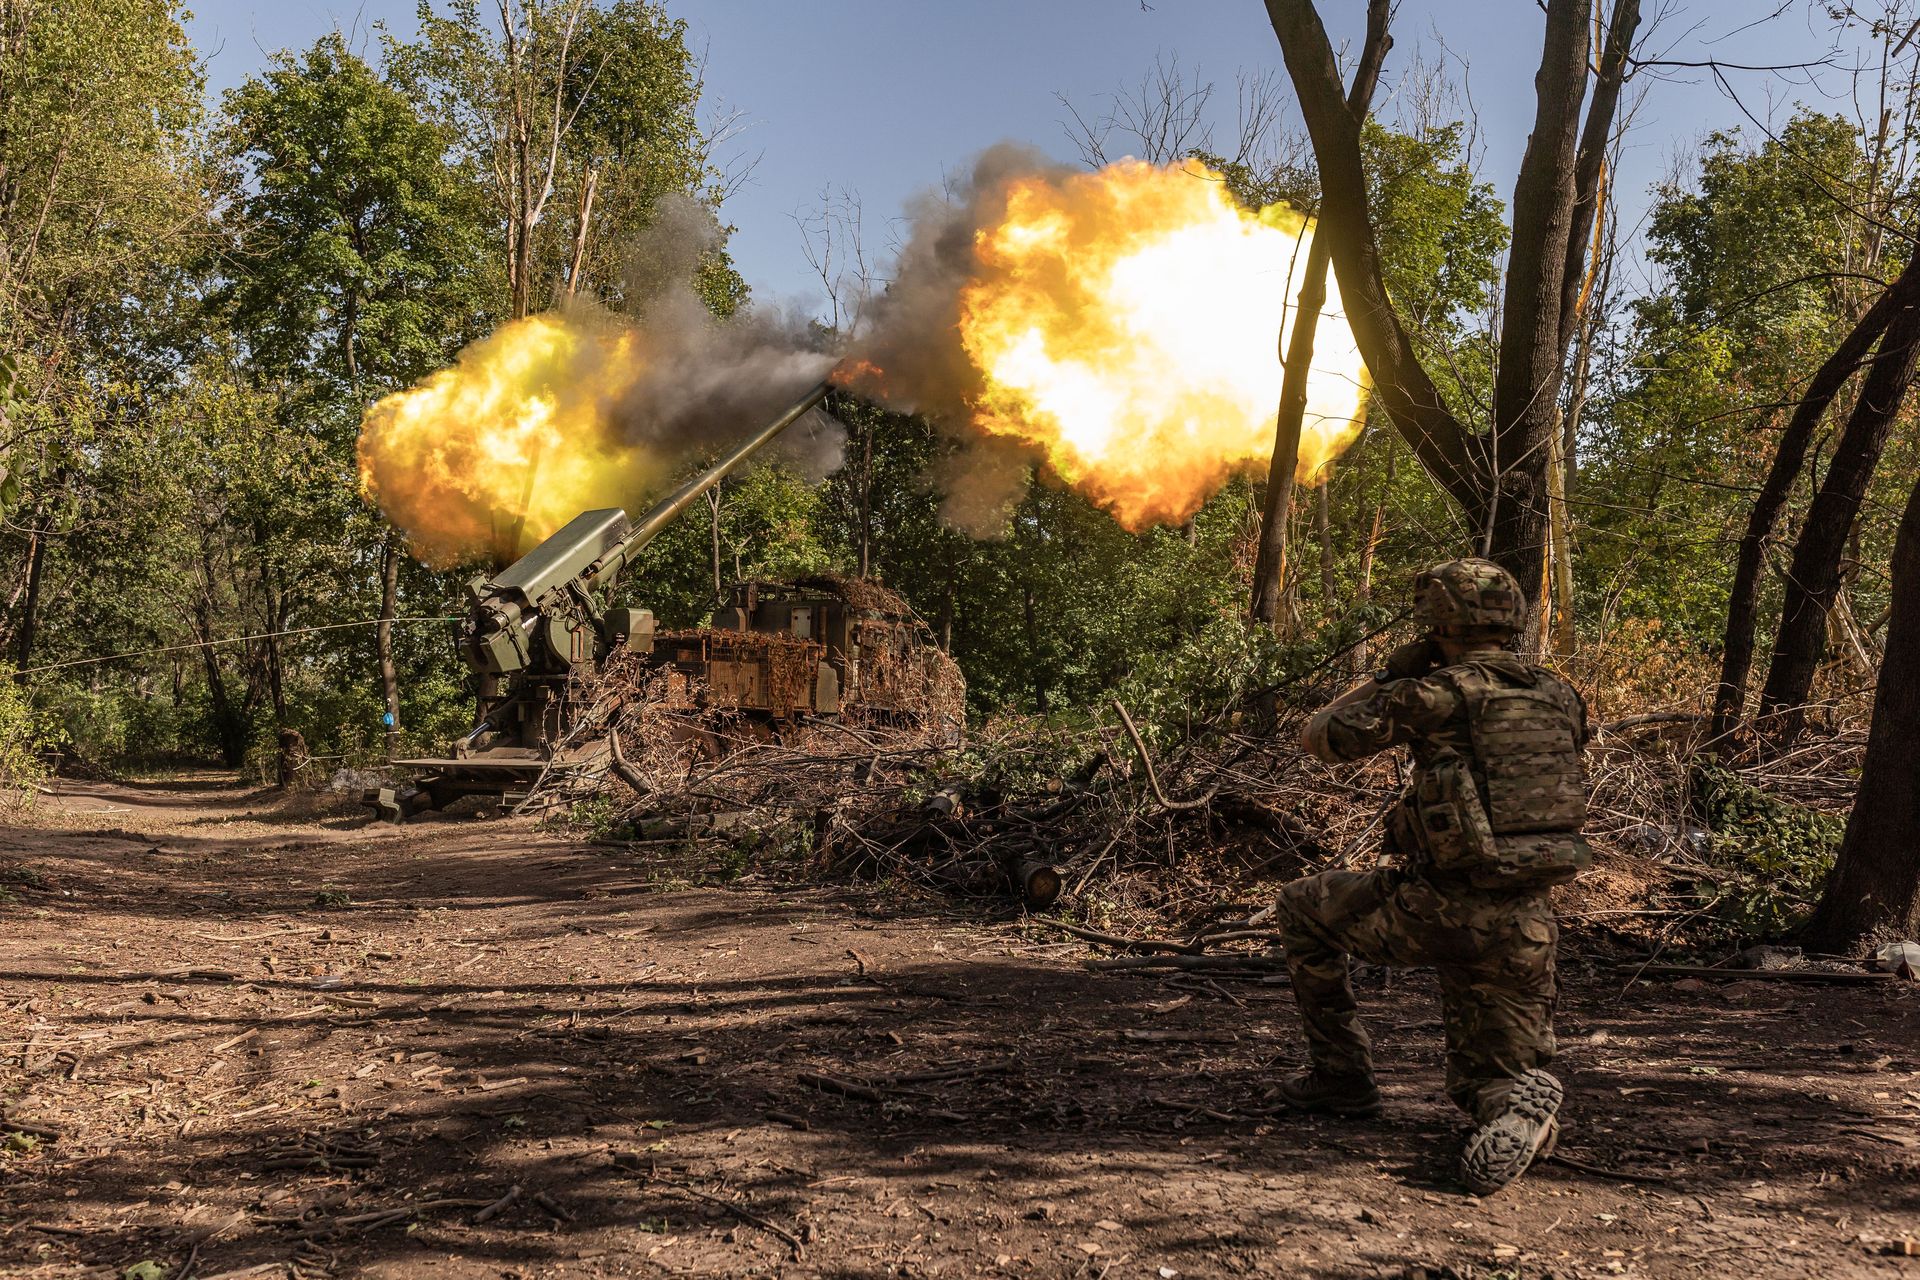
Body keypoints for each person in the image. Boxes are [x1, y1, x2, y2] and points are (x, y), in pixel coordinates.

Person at [1272, 558, 1591, 1196]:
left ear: (1436, 620)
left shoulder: (1432, 694)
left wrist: (1391, 673)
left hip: (1435, 907)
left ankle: (1342, 1080)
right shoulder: (1561, 695)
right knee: (1490, 1081)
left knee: (1303, 908)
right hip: (1527, 922)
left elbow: (1318, 737)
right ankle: (1519, 1115)